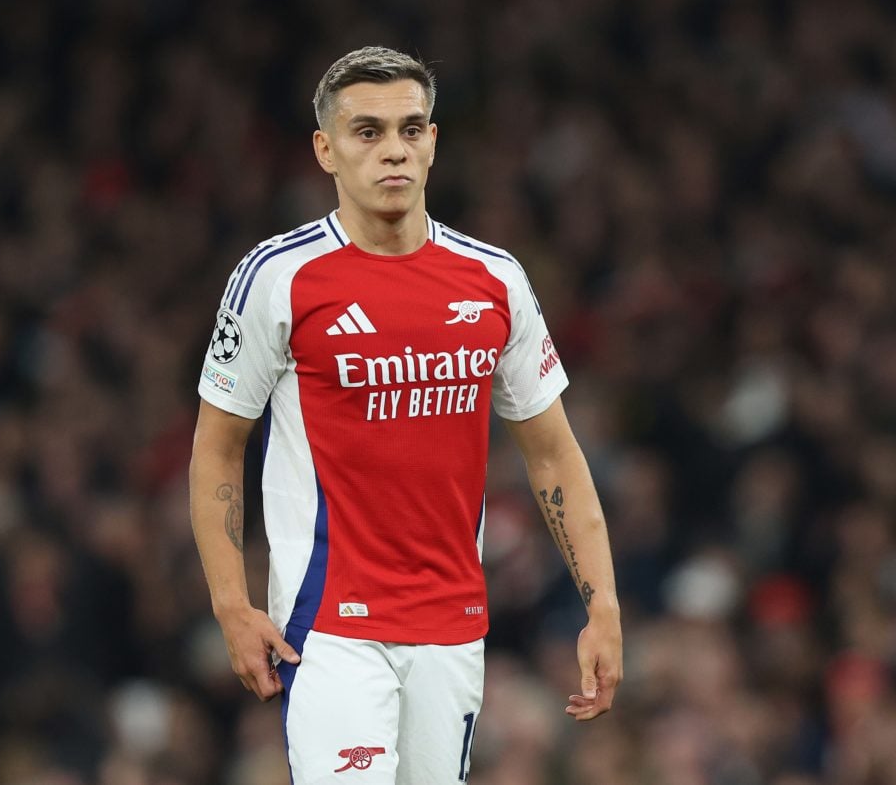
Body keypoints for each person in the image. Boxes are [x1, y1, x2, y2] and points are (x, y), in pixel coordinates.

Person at [189, 46, 622, 784]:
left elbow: (553, 454)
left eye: (411, 128)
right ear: (325, 149)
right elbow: (218, 448)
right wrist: (231, 603)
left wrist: (603, 604)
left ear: (433, 142)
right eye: (367, 131)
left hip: (453, 625)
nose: (393, 148)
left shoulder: (494, 280)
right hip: (328, 628)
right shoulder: (277, 278)